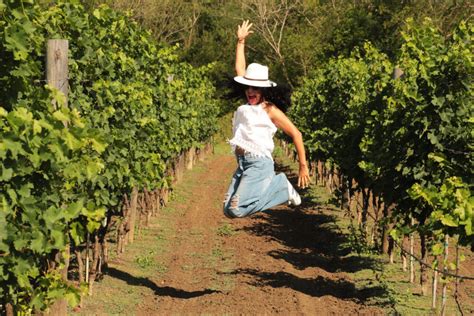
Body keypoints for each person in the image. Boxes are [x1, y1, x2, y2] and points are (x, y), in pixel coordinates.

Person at [223, 20, 310, 219]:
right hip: (243, 163)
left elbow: (296, 134)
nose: (250, 91)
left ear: (263, 90)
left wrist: (302, 165)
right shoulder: (246, 107)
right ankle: (281, 190)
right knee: (228, 210)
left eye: (255, 88)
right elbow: (240, 68)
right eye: (248, 87)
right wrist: (240, 42)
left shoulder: (269, 110)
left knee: (237, 209)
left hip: (259, 164)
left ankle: (282, 186)